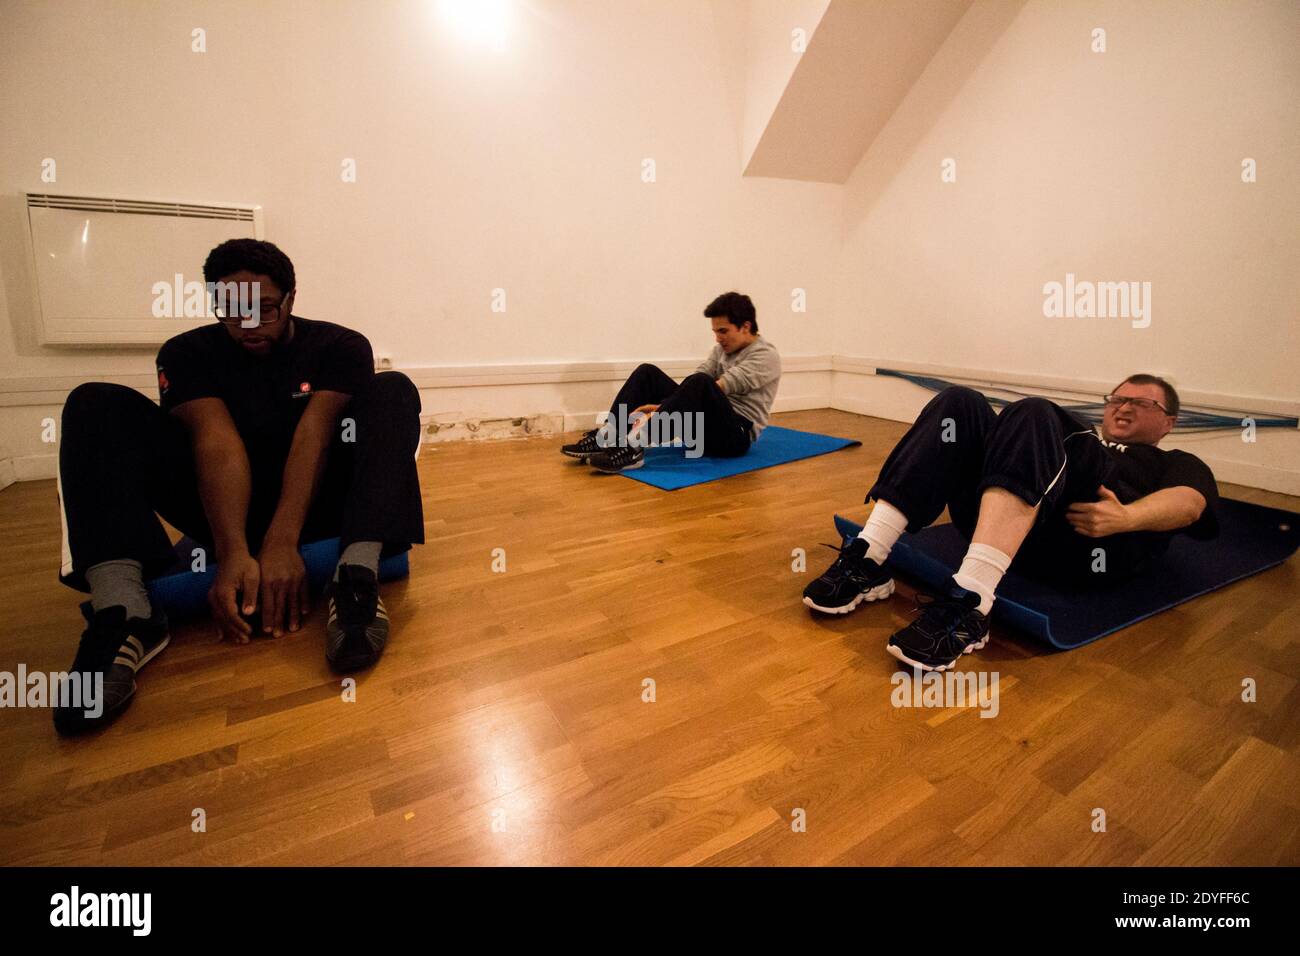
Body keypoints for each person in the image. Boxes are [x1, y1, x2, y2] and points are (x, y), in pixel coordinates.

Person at [53, 239, 424, 735]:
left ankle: (355, 578)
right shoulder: (187, 353)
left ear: (291, 298)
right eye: (231, 311)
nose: (248, 325)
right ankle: (124, 612)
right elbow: (216, 443)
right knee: (94, 403)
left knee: (393, 389)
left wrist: (282, 542)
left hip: (318, 503)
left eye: (264, 309)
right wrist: (232, 553)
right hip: (222, 507)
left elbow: (313, 437)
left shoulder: (339, 346)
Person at [802, 375, 1218, 671]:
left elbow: (1190, 504)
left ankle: (971, 603)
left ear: (1169, 423)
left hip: (1087, 544)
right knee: (959, 403)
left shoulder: (1174, 462)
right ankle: (869, 556)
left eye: (1142, 403)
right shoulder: (1072, 436)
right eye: (1116, 399)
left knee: (1037, 413)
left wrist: (1127, 517)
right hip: (1009, 527)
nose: (1123, 407)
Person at [560, 292, 781, 473]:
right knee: (648, 372)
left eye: (723, 331)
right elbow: (694, 385)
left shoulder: (765, 356)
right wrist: (663, 406)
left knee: (701, 382)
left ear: (745, 326)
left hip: (733, 437)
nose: (717, 338)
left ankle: (633, 448)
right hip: (705, 429)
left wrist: (659, 412)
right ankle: (608, 436)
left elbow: (721, 386)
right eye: (715, 332)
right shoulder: (721, 350)